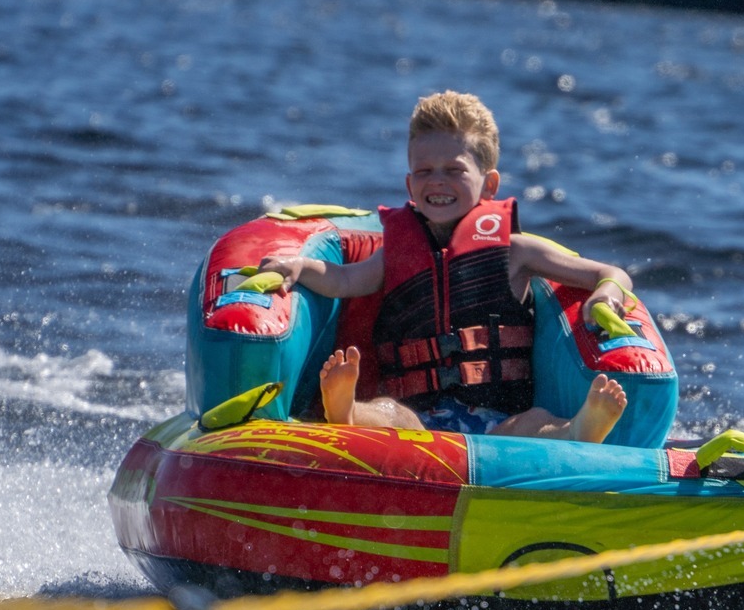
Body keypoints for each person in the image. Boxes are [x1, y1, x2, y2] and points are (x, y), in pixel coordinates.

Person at [258, 90, 630, 442]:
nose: (437, 180)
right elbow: (343, 279)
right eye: (424, 171)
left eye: (454, 170)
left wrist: (606, 297)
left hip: (498, 420)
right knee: (388, 412)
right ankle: (345, 410)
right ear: (409, 183)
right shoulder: (396, 253)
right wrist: (299, 267)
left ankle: (578, 430)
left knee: (533, 421)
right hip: (419, 420)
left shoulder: (517, 252)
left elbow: (611, 274)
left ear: (489, 184)